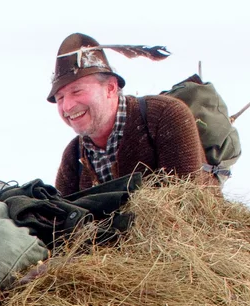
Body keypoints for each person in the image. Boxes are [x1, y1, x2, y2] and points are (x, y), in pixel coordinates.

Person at [49, 33, 210, 194]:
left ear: (110, 88)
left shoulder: (165, 117)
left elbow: (187, 204)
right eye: (60, 98)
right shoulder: (73, 156)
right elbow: (57, 215)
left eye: (77, 91)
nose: (67, 106)